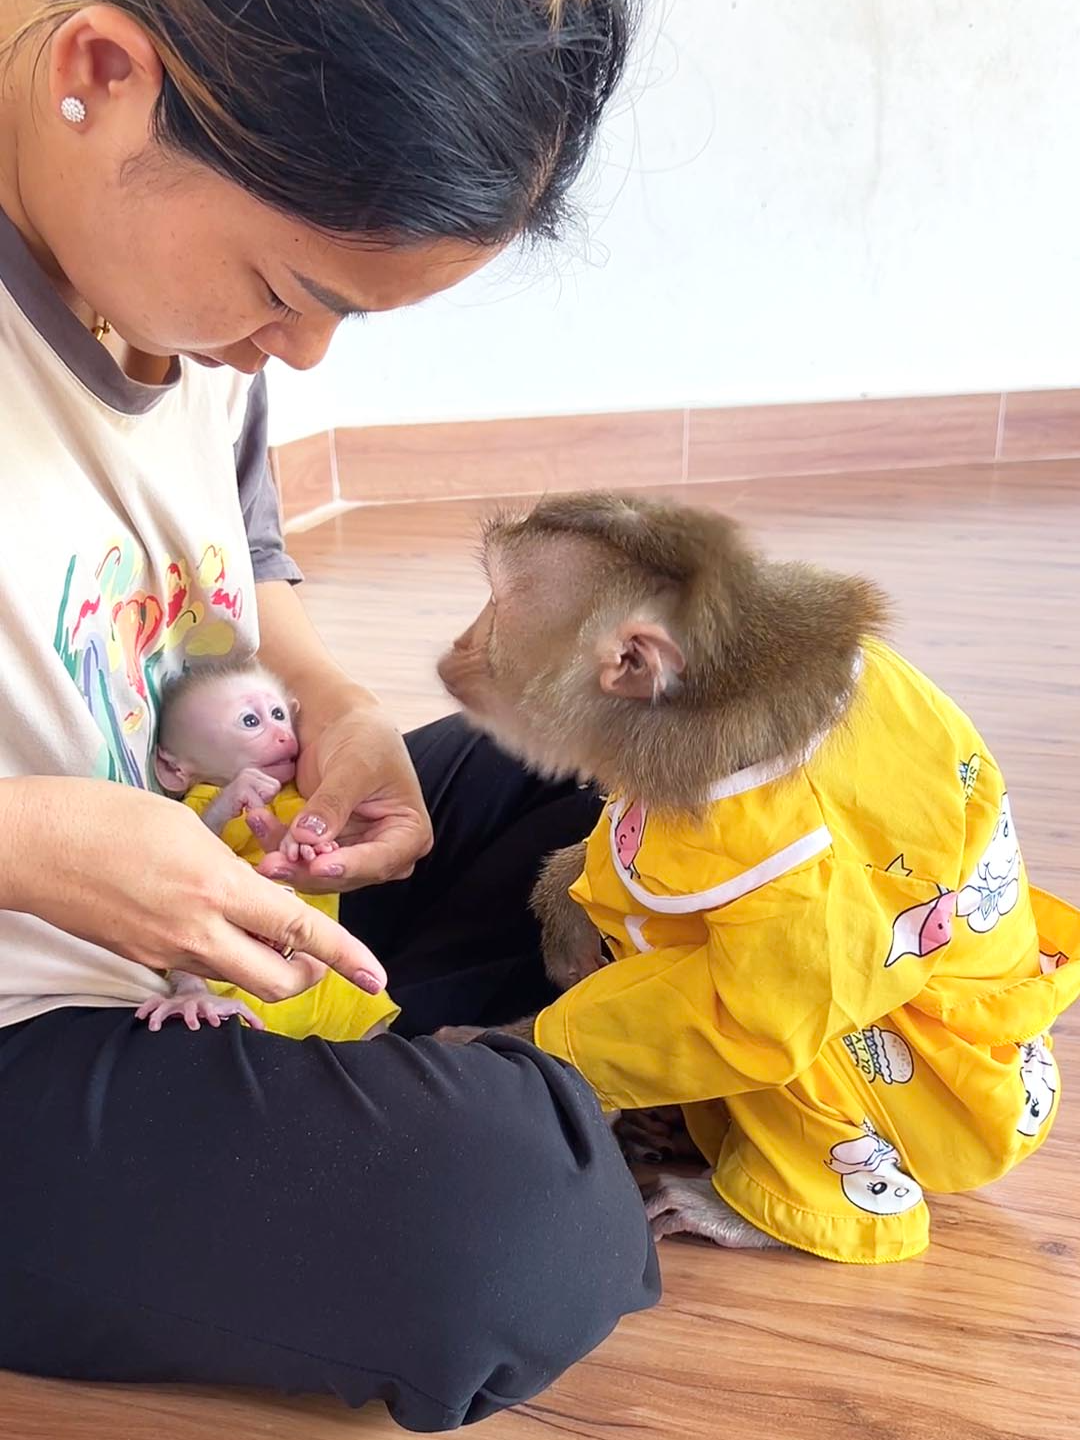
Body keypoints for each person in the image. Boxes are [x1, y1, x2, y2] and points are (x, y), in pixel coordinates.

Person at [0, 1, 658, 1429]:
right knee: (513, 1233)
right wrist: (29, 842)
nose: (297, 358)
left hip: (200, 890)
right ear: (100, 74)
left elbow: (241, 562)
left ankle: (355, 1075)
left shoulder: (168, 292)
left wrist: (337, 706)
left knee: (608, 764)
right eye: (289, 290)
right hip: (26, 1018)